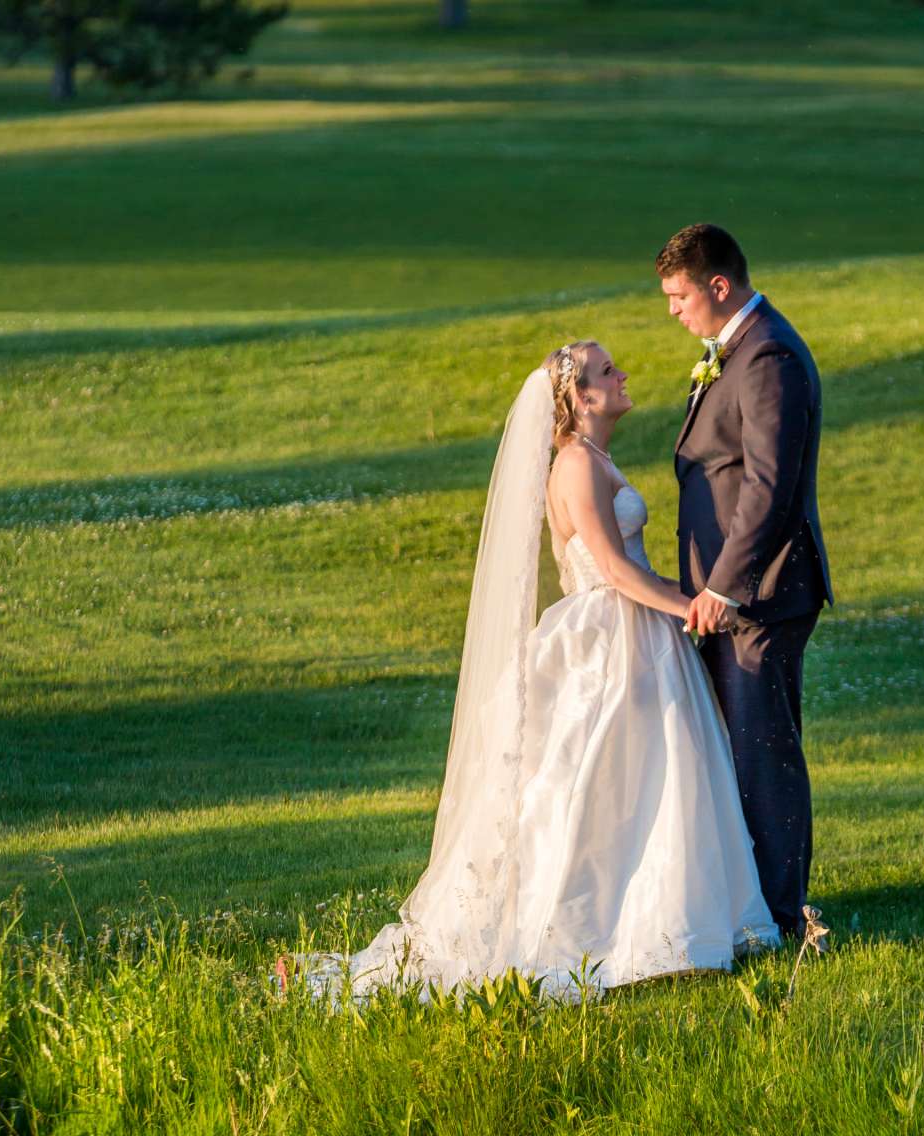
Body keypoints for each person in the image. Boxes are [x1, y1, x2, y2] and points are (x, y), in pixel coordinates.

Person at [283, 340, 777, 1002]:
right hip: (608, 633)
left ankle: (664, 922)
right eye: (607, 371)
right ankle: (602, 929)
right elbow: (612, 567)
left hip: (632, 627)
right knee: (595, 783)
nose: (623, 375)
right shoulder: (575, 464)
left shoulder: (596, 458)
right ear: (580, 398)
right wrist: (692, 608)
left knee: (641, 781)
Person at [658, 223, 832, 938]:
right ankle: (751, 905)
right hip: (728, 601)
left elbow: (767, 488)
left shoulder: (768, 358)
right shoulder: (735, 352)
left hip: (758, 599)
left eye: (678, 295)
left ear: (718, 286)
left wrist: (723, 588)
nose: (672, 310)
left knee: (764, 757)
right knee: (739, 753)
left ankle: (783, 916)